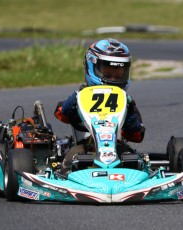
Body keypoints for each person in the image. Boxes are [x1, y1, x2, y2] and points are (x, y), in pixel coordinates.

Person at [54, 38, 145, 175]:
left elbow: (136, 135)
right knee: (71, 159)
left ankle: (134, 179)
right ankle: (66, 179)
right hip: (84, 147)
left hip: (116, 148)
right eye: (108, 73)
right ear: (91, 66)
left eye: (118, 74)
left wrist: (130, 110)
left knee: (133, 158)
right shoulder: (81, 96)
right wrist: (76, 99)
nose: (113, 78)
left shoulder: (125, 101)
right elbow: (62, 113)